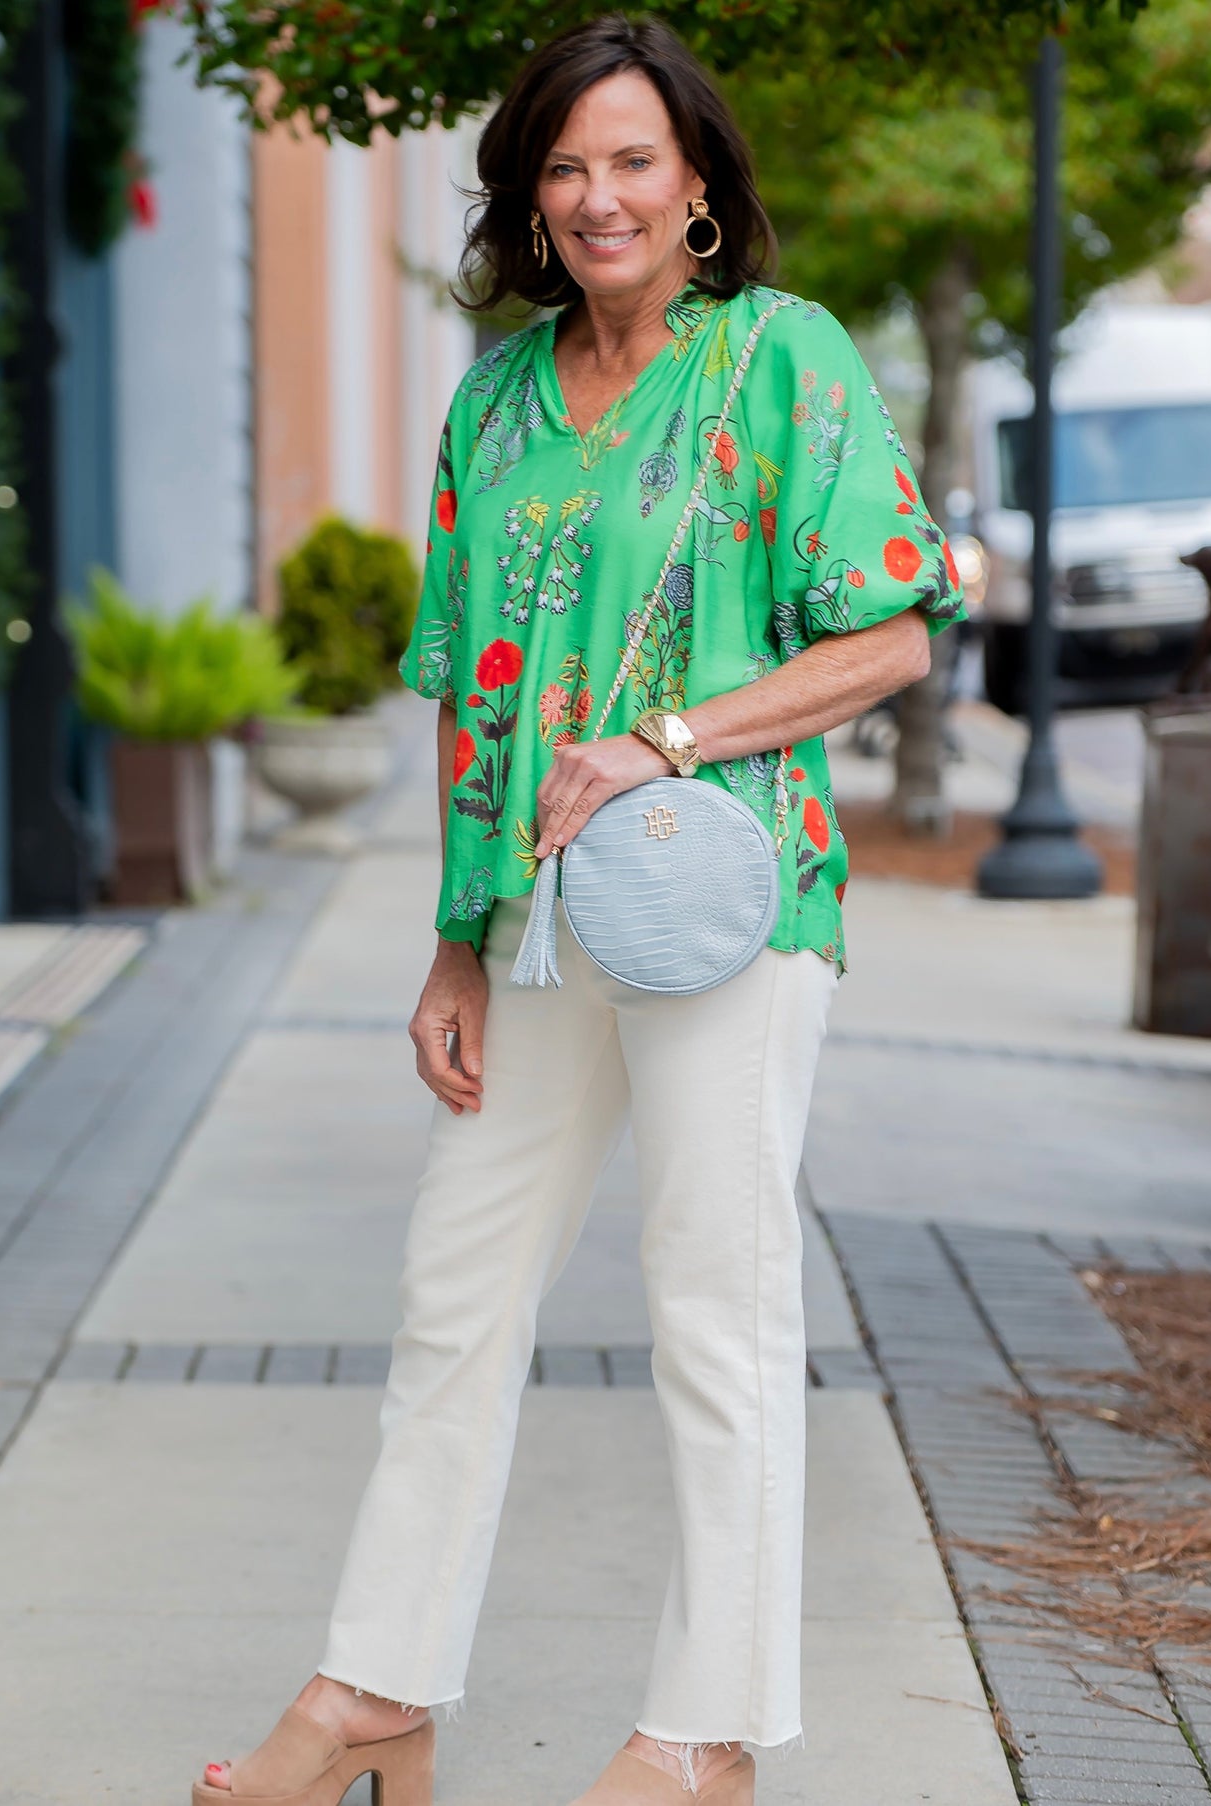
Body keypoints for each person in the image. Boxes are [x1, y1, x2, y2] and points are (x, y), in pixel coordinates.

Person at [196, 14, 963, 1804]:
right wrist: (455, 939)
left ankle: (702, 1733)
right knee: (453, 1288)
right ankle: (376, 1690)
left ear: (697, 186)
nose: (598, 194)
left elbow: (894, 633)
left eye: (633, 160)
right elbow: (470, 697)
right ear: (527, 201)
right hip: (535, 926)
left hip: (717, 910)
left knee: (714, 1299)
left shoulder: (781, 360)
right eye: (563, 165)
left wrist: (662, 739)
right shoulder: (491, 401)